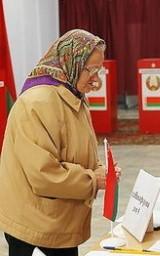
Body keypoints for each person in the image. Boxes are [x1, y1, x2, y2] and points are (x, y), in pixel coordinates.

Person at [0, 29, 120, 256]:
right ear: (70, 62)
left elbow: (76, 151)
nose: (96, 79)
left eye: (99, 69)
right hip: (35, 224)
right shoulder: (37, 103)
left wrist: (101, 171)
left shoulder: (72, 94)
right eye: (90, 70)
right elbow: (44, 174)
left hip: (57, 219)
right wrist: (93, 179)